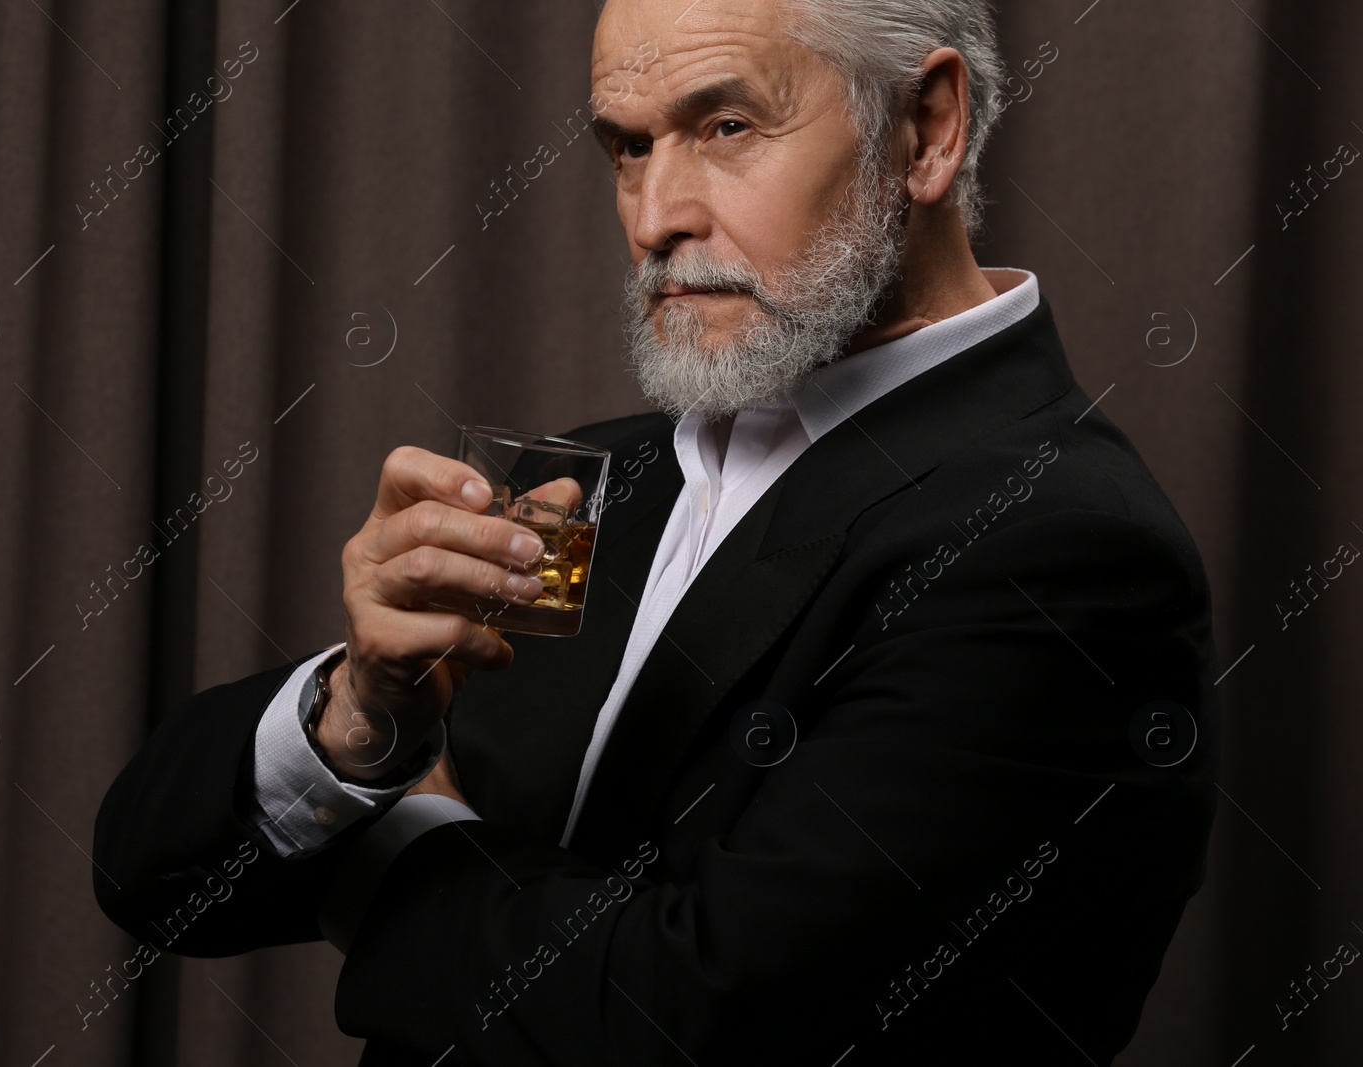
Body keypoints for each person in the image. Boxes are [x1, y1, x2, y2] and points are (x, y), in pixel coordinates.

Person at [93, 1, 1219, 1063]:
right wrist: (358, 721)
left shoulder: (1061, 543)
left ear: (924, 131)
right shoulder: (595, 477)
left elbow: (702, 1024)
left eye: (725, 127)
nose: (653, 217)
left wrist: (395, 849)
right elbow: (148, 874)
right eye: (627, 147)